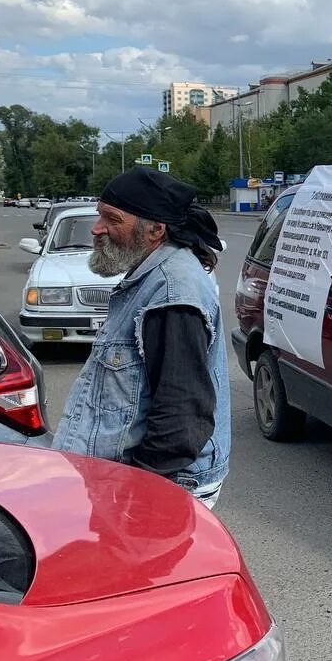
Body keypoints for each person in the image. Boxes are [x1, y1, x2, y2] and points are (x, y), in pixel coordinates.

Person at [52, 168, 230, 509]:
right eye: (99, 215)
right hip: (130, 480)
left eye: (112, 219)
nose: (97, 228)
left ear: (155, 229)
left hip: (157, 487)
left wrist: (139, 496)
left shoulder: (173, 291)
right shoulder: (152, 275)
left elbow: (181, 418)